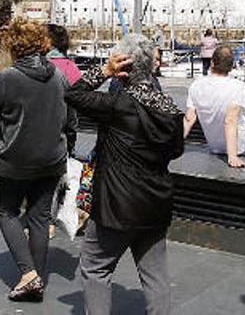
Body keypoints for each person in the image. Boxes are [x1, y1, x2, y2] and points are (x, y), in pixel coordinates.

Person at [65, 34, 184, 315]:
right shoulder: (169, 109)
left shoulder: (119, 105)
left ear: (124, 67)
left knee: (95, 266)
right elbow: (175, 151)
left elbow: (73, 94)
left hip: (116, 204)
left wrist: (104, 71)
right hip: (155, 201)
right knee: (155, 275)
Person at [0, 18, 74, 302]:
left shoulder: (9, 77)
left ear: (14, 45)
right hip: (51, 158)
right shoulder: (59, 77)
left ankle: (29, 274)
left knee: (6, 211)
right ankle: (37, 278)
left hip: (16, 159)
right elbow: (70, 120)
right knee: (39, 217)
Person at [183, 45, 245, 168]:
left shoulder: (196, 85)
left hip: (215, 147)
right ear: (231, 66)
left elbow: (189, 118)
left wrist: (173, 145)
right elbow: (230, 120)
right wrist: (232, 156)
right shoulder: (237, 86)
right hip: (241, 146)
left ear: (212, 63)